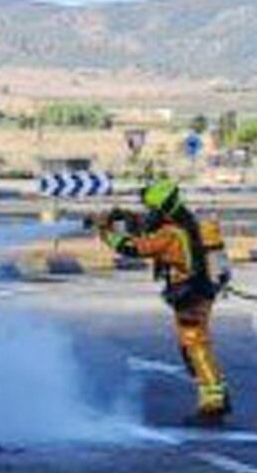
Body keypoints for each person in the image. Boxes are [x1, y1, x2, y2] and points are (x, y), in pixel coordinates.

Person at [97, 181, 230, 426]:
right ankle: (215, 392)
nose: (150, 214)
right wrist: (125, 217)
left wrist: (106, 234)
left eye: (152, 209)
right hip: (200, 291)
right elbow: (149, 228)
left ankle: (213, 403)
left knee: (195, 347)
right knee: (193, 345)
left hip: (190, 294)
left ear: (163, 209)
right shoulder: (186, 223)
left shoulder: (171, 235)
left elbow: (135, 248)